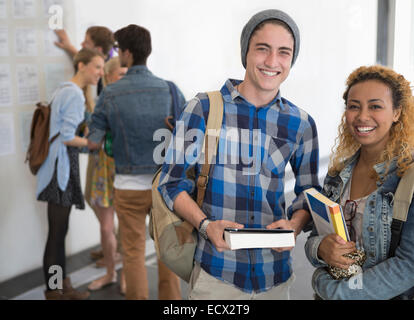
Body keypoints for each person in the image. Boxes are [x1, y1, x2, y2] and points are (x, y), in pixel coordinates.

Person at [158, 9, 320, 300]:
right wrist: (206, 226)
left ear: (292, 59)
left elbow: (309, 191)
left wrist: (294, 227)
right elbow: (171, 183)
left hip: (275, 276)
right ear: (246, 52)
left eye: (284, 52)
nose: (272, 62)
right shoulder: (203, 109)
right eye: (262, 49)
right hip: (216, 274)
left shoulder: (301, 123)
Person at [87, 24, 186, 300]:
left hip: (127, 187)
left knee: (132, 253)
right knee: (168, 251)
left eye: (118, 49)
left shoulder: (110, 93)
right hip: (164, 188)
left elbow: (94, 141)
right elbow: (189, 134)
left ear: (127, 53)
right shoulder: (170, 90)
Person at [304, 65, 414, 300]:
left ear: (397, 113)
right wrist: (321, 249)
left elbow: (409, 266)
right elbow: (314, 238)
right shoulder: (338, 174)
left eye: (375, 106)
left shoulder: (409, 179)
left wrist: (333, 290)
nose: (362, 116)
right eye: (354, 106)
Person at [36, 48, 105, 300]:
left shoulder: (62, 89)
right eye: (97, 67)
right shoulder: (74, 94)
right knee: (56, 235)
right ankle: (54, 291)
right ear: (82, 66)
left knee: (59, 232)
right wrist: (91, 143)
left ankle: (62, 286)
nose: (100, 72)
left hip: (55, 168)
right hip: (61, 171)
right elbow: (67, 137)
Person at [86, 57, 127, 293]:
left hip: (125, 169)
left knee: (127, 229)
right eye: (121, 74)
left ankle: (126, 276)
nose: (125, 78)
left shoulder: (132, 99)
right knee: (105, 228)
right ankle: (111, 273)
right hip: (104, 167)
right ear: (108, 76)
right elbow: (93, 137)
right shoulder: (102, 101)